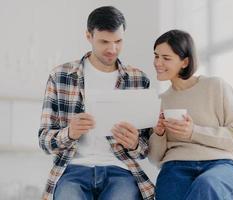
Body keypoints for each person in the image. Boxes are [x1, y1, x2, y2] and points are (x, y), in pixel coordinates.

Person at [38, 6, 154, 200]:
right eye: (104, 42)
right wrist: (70, 133)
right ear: (88, 36)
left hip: (120, 170)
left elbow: (145, 149)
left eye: (118, 41)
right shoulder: (60, 76)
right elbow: (44, 142)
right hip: (73, 170)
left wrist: (135, 144)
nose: (112, 49)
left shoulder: (139, 79)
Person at [148, 29, 233, 200]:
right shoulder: (161, 101)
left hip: (221, 164)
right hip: (175, 167)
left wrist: (193, 132)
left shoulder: (216, 87)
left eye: (166, 58)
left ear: (185, 62)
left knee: (207, 185)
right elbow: (155, 158)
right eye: (156, 56)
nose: (158, 63)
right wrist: (159, 133)